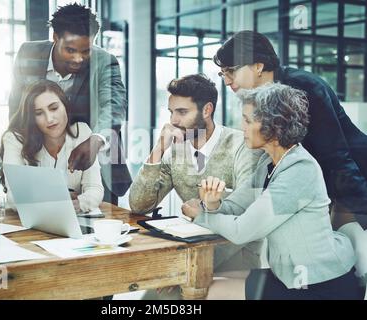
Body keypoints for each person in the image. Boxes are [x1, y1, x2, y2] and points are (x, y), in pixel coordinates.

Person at [213, 30, 367, 287]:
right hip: (325, 181)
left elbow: (337, 157)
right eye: (223, 73)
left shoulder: (304, 88)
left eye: (231, 70)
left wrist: (361, 209)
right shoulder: (261, 103)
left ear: (258, 66)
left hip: (353, 176)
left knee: (352, 262)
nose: (227, 80)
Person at [183, 83, 364, 299]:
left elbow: (242, 231)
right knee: (205, 278)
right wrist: (212, 204)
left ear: (273, 126)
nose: (242, 128)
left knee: (210, 291)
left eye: (248, 120)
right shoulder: (268, 165)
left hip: (320, 286)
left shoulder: (299, 171)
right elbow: (236, 206)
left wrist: (202, 216)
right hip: (291, 277)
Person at [129, 74, 263, 299]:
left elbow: (244, 212)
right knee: (151, 297)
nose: (173, 121)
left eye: (182, 112)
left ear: (207, 110)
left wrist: (182, 269)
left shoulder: (243, 146)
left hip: (235, 255)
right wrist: (158, 150)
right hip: (192, 250)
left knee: (170, 297)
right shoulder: (176, 151)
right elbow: (139, 204)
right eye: (171, 112)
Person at [8, 3, 131, 204]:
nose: (78, 59)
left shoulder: (105, 61)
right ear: (55, 37)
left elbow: (114, 104)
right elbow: (16, 108)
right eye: (70, 50)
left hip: (93, 169)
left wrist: (97, 139)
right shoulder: (28, 54)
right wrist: (15, 157)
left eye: (86, 50)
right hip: (41, 164)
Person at [0, 79, 104, 212]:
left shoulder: (82, 132)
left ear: (65, 105)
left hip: (70, 220)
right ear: (31, 118)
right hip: (25, 222)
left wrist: (77, 205)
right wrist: (62, 199)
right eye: (39, 113)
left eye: (54, 108)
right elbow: (14, 197)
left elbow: (95, 190)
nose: (49, 119)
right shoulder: (15, 139)